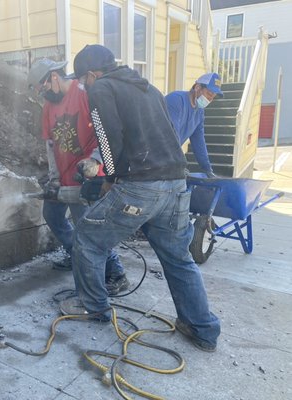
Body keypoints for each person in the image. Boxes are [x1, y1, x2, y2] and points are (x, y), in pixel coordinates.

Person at [68, 44, 220, 352]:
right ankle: (203, 329)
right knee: (179, 258)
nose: (82, 87)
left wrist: (110, 180)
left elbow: (108, 139)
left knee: (87, 237)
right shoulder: (149, 88)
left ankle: (94, 308)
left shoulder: (101, 88)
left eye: (83, 80)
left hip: (141, 185)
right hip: (177, 184)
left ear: (92, 74)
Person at [27, 58, 129, 296]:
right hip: (63, 177)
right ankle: (78, 256)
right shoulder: (48, 107)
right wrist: (53, 178)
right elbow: (51, 145)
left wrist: (95, 161)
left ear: (53, 77)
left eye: (41, 88)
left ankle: (116, 272)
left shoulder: (85, 94)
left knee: (88, 228)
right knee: (51, 214)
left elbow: (107, 134)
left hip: (88, 176)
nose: (42, 94)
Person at [165, 73, 224, 178]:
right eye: (209, 94)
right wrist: (181, 164)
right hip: (150, 157)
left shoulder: (199, 112)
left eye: (213, 97)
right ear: (197, 87)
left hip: (169, 160)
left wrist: (207, 169)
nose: (210, 100)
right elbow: (172, 137)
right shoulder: (176, 100)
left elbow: (199, 142)